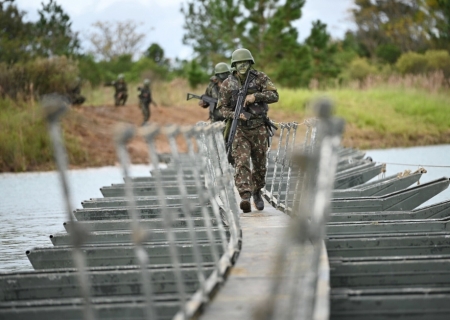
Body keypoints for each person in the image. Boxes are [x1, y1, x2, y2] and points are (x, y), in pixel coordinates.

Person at [217, 48, 279, 213]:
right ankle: (245, 196)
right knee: (241, 162)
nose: (242, 66)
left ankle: (257, 191)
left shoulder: (260, 78)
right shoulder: (227, 84)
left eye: (245, 63)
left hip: (259, 128)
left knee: (260, 164)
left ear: (250, 63)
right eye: (239, 64)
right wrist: (235, 115)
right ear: (234, 65)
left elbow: (275, 96)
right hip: (239, 129)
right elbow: (221, 109)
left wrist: (255, 97)